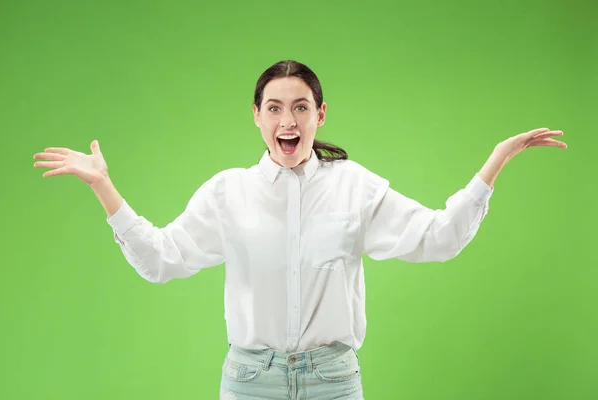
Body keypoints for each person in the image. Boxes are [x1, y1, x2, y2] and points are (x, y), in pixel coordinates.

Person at [33, 60, 567, 400]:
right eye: (275, 108)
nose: (287, 119)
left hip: (334, 381)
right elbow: (159, 260)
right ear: (258, 117)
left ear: (319, 115)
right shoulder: (227, 193)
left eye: (300, 107)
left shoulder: (355, 187)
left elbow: (439, 237)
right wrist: (103, 186)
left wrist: (493, 165)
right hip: (249, 383)